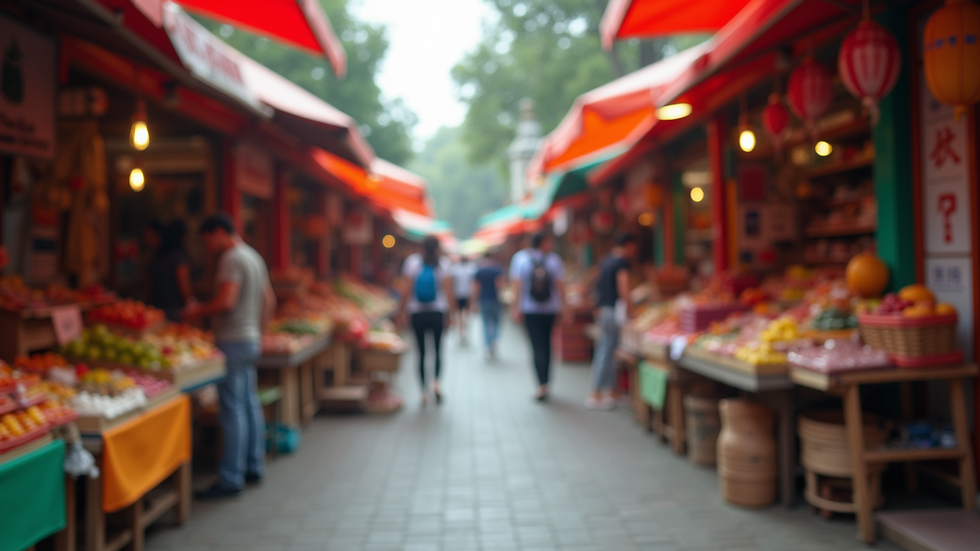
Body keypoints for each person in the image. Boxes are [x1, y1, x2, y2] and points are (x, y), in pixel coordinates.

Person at [184, 213, 276, 499]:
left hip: (233, 340)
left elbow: (226, 301)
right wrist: (259, 333)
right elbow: (269, 301)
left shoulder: (231, 259)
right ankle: (253, 464)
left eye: (208, 238)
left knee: (232, 409)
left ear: (220, 232)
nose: (208, 245)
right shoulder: (254, 257)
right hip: (249, 339)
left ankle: (230, 477)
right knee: (248, 403)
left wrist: (197, 310)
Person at [397, 236, 456, 407]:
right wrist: (451, 314)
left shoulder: (412, 262)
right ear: (437, 247)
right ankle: (436, 383)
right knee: (438, 350)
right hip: (437, 312)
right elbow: (448, 291)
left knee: (421, 353)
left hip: (417, 313)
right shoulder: (443, 264)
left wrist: (401, 312)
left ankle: (423, 392)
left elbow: (406, 290)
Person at [510, 231, 566, 402]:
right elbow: (560, 286)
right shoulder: (554, 260)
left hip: (530, 310)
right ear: (544, 242)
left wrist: (515, 307)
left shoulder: (520, 259)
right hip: (551, 309)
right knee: (548, 346)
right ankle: (547, 383)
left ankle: (540, 385)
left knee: (536, 347)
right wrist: (565, 306)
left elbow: (517, 286)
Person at [587, 234, 638, 410]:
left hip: (603, 310)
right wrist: (632, 311)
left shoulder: (605, 261)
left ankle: (612, 392)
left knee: (609, 350)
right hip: (612, 312)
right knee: (606, 351)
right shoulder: (622, 263)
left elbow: (596, 283)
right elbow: (623, 288)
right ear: (629, 245)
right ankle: (596, 393)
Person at [147, 221, 195, 322]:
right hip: (175, 313)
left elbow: (147, 288)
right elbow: (184, 288)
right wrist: (192, 306)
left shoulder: (156, 258)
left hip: (154, 312)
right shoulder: (178, 258)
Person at [471, 252, 504, 360]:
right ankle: (493, 341)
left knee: (485, 324)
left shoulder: (479, 271)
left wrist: (473, 302)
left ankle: (488, 345)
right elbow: (500, 285)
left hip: (483, 301)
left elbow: (476, 288)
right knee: (496, 323)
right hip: (495, 300)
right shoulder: (497, 269)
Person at [451, 255, 477, 344]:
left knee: (461, 315)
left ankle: (462, 333)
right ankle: (463, 332)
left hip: (458, 294)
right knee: (465, 314)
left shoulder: (455, 269)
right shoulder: (471, 268)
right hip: (466, 294)